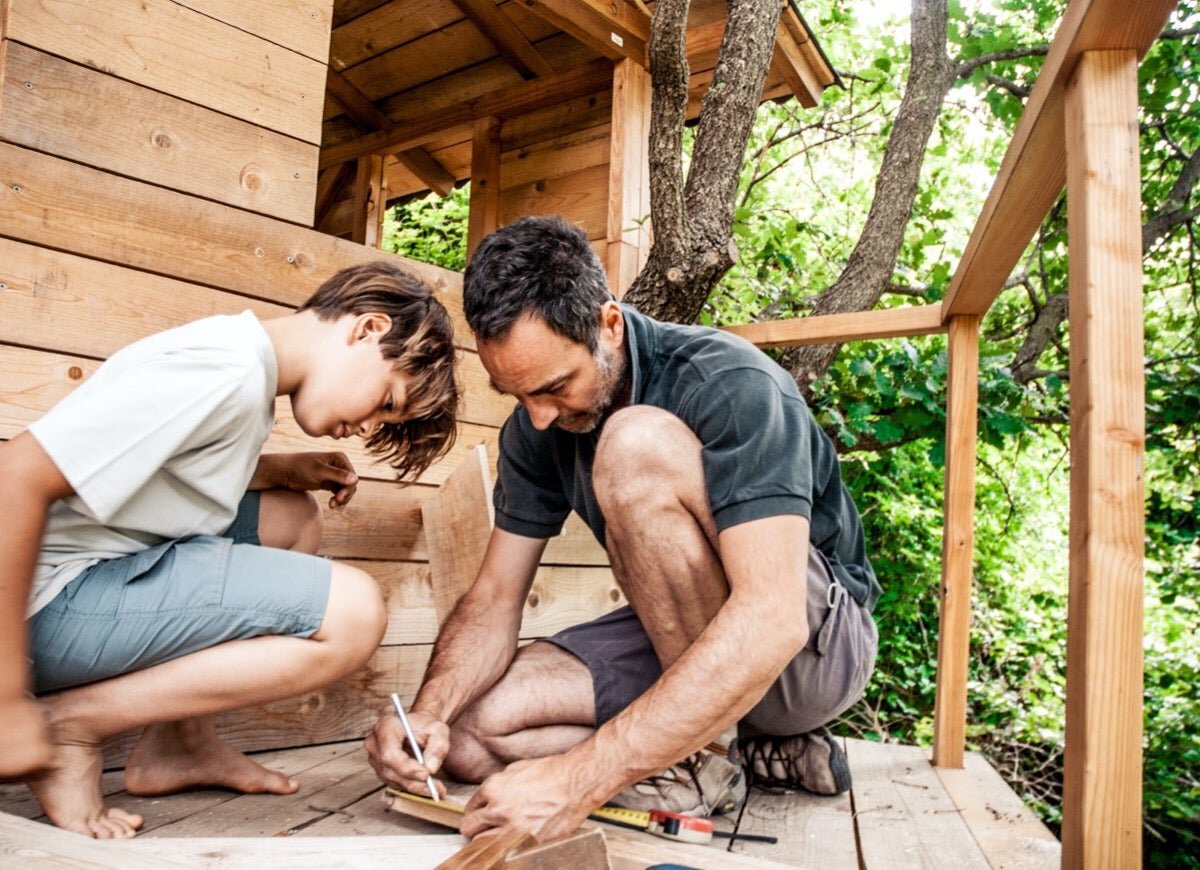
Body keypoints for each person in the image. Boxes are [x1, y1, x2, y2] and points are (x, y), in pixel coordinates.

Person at [366, 216, 879, 843]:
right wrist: (428, 713)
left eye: (556, 386)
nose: (540, 417)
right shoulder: (536, 425)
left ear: (609, 324)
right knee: (474, 732)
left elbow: (772, 617)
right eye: (515, 394)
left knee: (633, 440)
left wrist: (578, 779)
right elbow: (496, 598)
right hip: (689, 633)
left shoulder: (731, 382)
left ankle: (705, 756)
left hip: (812, 649)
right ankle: (747, 754)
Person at [0, 261, 458, 839]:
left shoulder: (245, 372)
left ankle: (180, 741)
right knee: (355, 613)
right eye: (386, 401)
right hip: (37, 612)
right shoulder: (223, 369)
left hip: (76, 588)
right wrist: (6, 698)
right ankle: (68, 727)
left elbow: (155, 478)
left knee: (293, 517)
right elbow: (15, 476)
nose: (368, 427)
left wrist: (279, 470)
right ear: (367, 329)